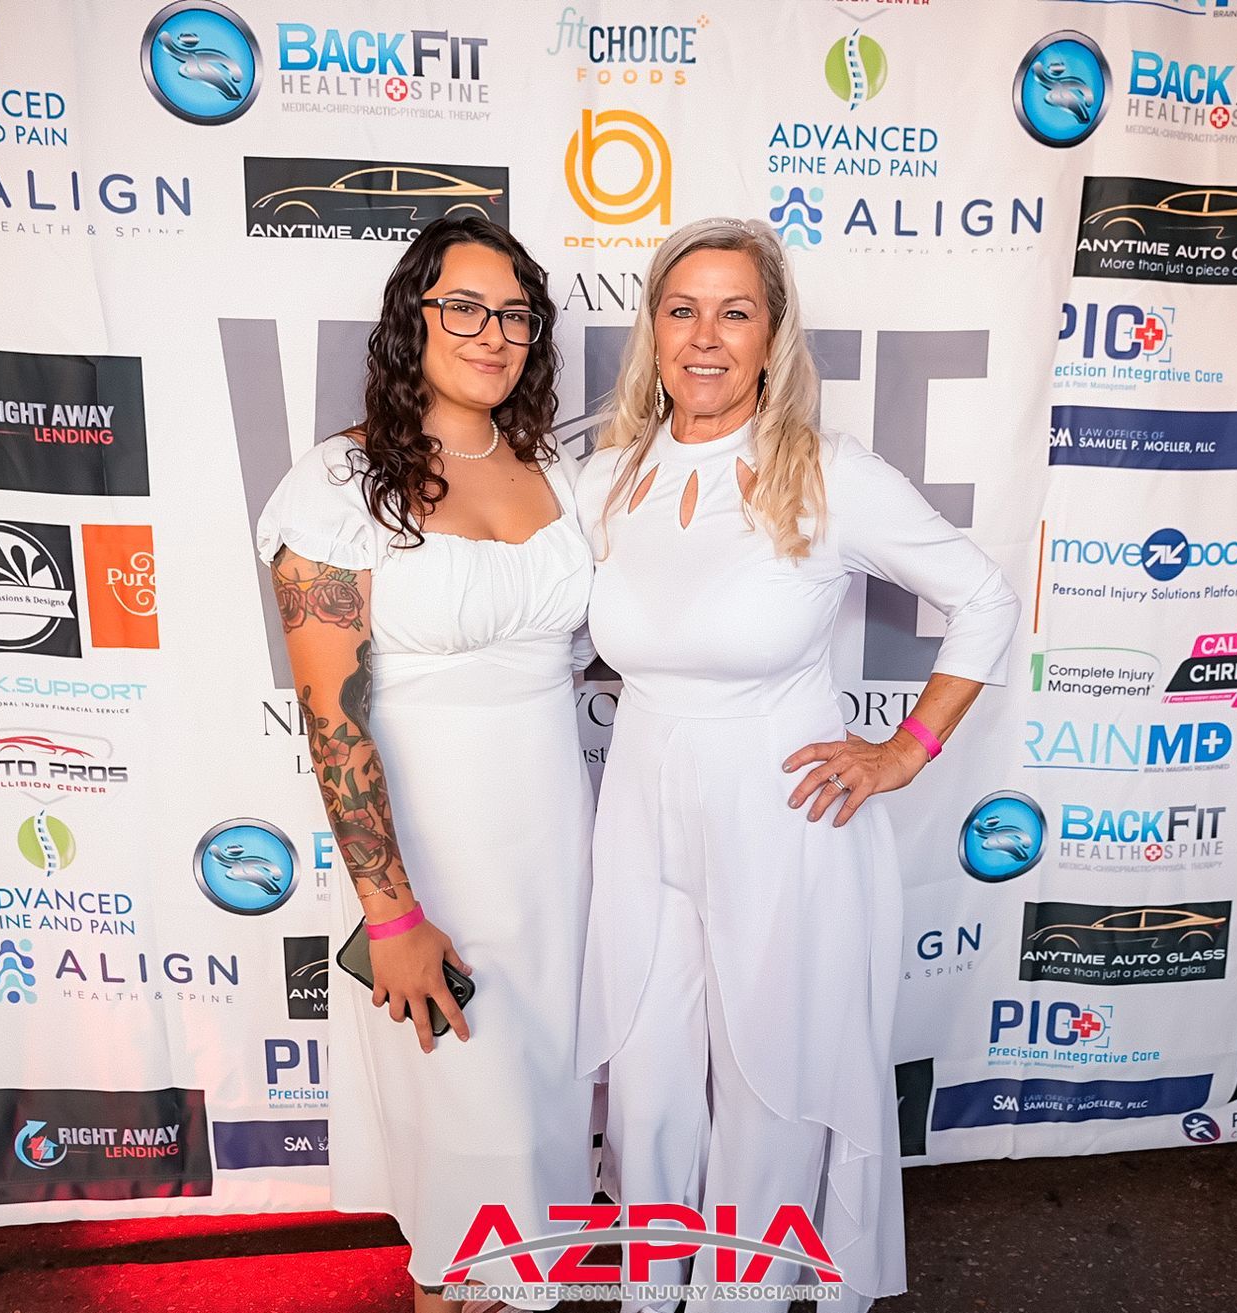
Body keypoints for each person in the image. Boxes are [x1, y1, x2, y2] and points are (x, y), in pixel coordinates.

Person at [575, 216, 1019, 1313]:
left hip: (784, 819)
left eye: (736, 312)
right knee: (649, 1084)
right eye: (683, 310)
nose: (706, 336)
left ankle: (746, 1299)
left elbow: (984, 597)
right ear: (653, 330)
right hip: (640, 816)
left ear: (772, 335)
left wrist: (906, 749)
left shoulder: (827, 474)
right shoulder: (607, 479)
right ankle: (652, 1295)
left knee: (770, 1090)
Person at [256, 216, 594, 1313]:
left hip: (557, 866)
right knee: (466, 1173)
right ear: (414, 318)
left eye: (514, 315)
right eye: (464, 307)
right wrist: (392, 914)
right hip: (430, 872)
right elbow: (333, 721)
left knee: (538, 1150)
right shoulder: (342, 479)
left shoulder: (559, 471)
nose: (492, 333)